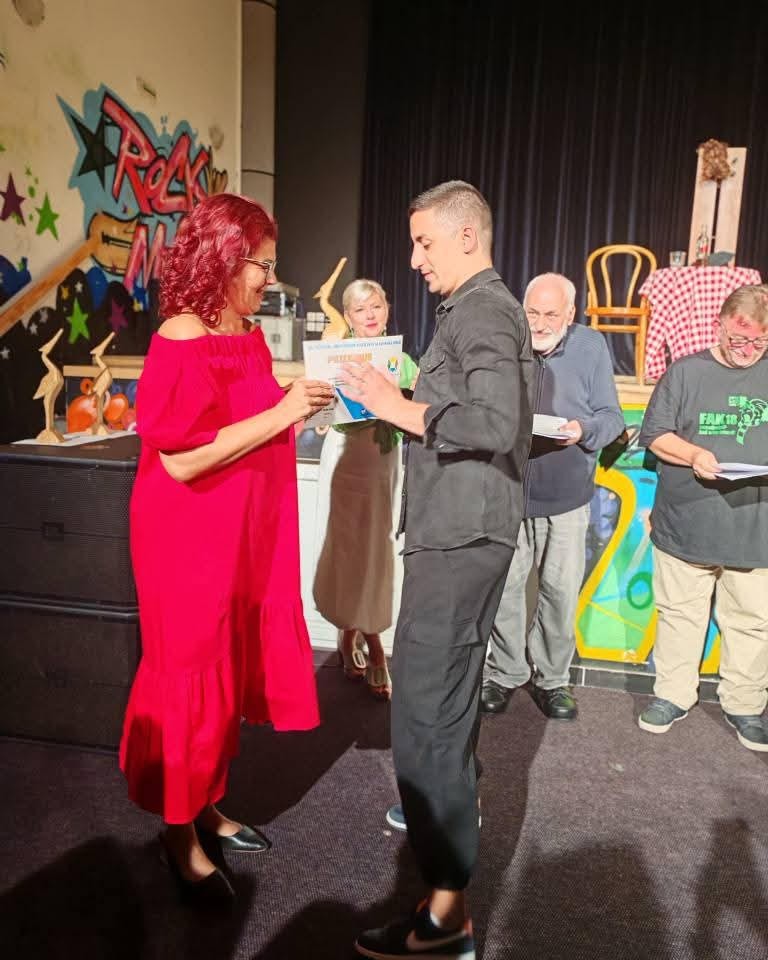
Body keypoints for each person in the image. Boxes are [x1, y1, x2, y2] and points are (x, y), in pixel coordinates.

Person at [119, 193, 334, 904]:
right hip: (184, 538)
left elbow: (251, 409)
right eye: (260, 264)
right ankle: (178, 832)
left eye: (271, 263)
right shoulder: (180, 334)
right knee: (189, 677)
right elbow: (181, 459)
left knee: (221, 675)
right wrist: (283, 410)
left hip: (236, 532)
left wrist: (302, 396)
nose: (270, 277)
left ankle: (206, 804)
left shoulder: (242, 330)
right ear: (222, 258)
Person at [339, 181, 532, 960]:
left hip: (459, 541)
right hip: (459, 534)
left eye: (424, 242)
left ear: (466, 237)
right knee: (440, 714)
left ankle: (448, 916)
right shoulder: (476, 309)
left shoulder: (483, 310)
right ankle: (447, 897)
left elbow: (496, 420)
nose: (414, 258)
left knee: (426, 722)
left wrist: (394, 404)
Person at [481, 273, 624, 720]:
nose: (540, 324)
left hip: (566, 494)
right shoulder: (504, 340)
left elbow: (612, 417)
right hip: (506, 487)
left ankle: (552, 680)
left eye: (551, 314)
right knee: (505, 589)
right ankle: (504, 672)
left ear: (570, 314)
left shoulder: (590, 346)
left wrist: (584, 430)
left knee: (560, 592)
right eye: (532, 313)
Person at [636, 284, 768, 751]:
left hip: (755, 526)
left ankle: (744, 704)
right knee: (679, 613)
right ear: (719, 325)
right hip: (688, 519)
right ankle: (673, 695)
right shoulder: (686, 372)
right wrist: (693, 454)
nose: (748, 351)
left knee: (752, 620)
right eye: (739, 339)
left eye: (759, 342)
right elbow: (655, 435)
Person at [312, 279, 418, 699]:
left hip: (383, 462)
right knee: (345, 548)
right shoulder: (334, 354)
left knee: (376, 551)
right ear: (348, 317)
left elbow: (419, 408)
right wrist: (322, 404)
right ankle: (361, 640)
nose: (370, 315)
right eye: (360, 309)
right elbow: (320, 412)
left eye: (376, 306)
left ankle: (363, 639)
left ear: (387, 309)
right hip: (344, 458)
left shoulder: (402, 362)